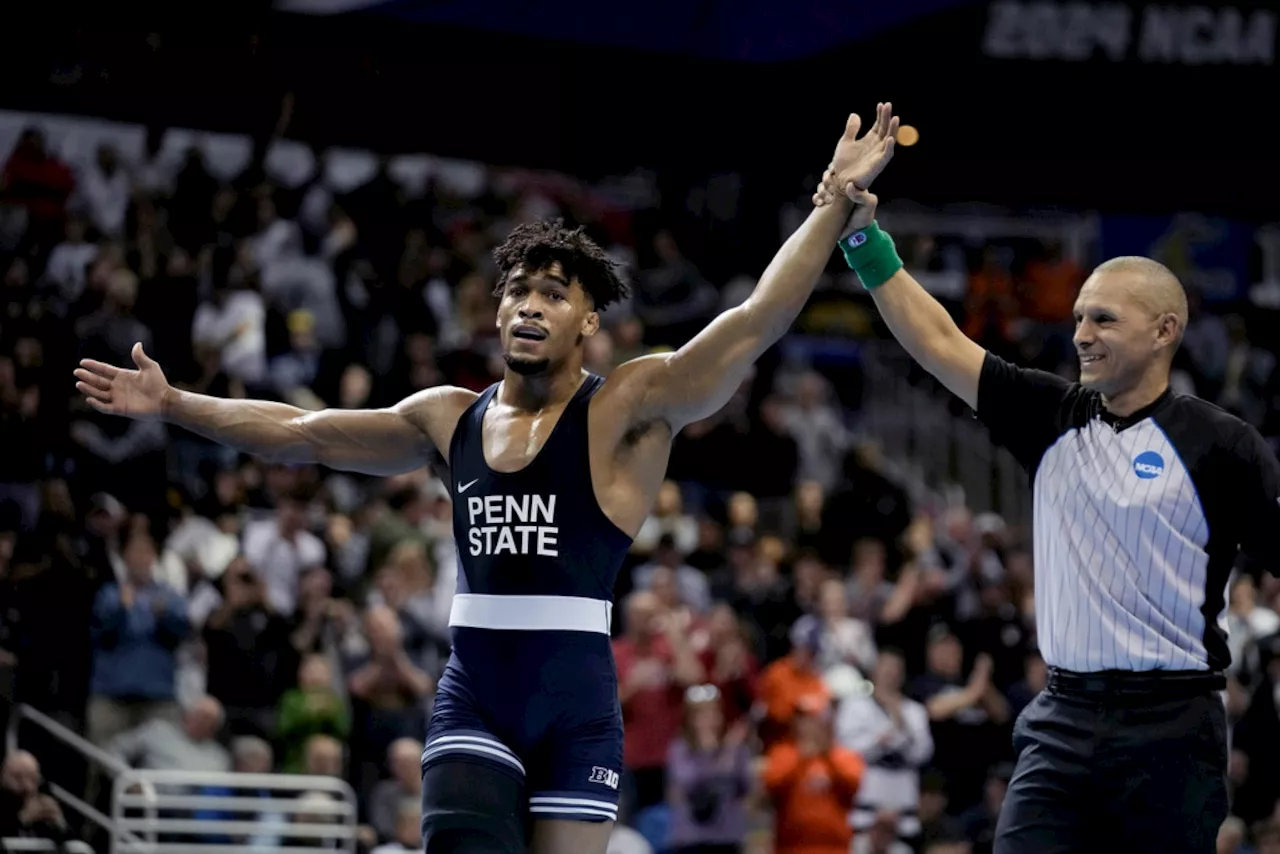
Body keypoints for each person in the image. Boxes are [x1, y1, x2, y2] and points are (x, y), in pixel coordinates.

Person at [73, 104, 901, 854]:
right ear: (496, 313)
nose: (532, 306)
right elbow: (305, 433)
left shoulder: (631, 410)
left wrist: (831, 201)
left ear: (588, 320)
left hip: (579, 716)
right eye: (518, 292)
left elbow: (754, 322)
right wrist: (176, 402)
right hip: (474, 702)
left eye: (553, 293)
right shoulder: (447, 418)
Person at [815, 156, 1280, 853]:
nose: (1081, 333)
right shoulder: (1050, 416)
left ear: (1165, 331)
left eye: (1103, 318)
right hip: (1061, 719)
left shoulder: (1224, 445)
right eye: (1077, 317)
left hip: (1173, 731)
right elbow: (937, 340)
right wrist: (862, 236)